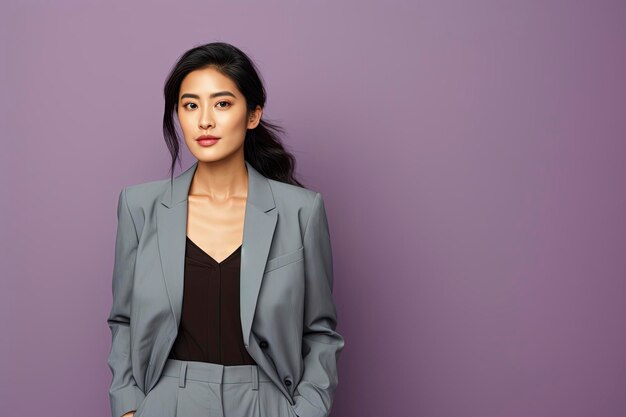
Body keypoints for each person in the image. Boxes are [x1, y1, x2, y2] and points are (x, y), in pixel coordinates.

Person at [106, 42, 345, 417]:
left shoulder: (301, 211)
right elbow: (123, 319)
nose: (204, 120)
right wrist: (128, 405)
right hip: (168, 400)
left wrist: (308, 410)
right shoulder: (140, 207)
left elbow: (319, 331)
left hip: (265, 401)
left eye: (222, 103)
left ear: (252, 115)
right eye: (190, 105)